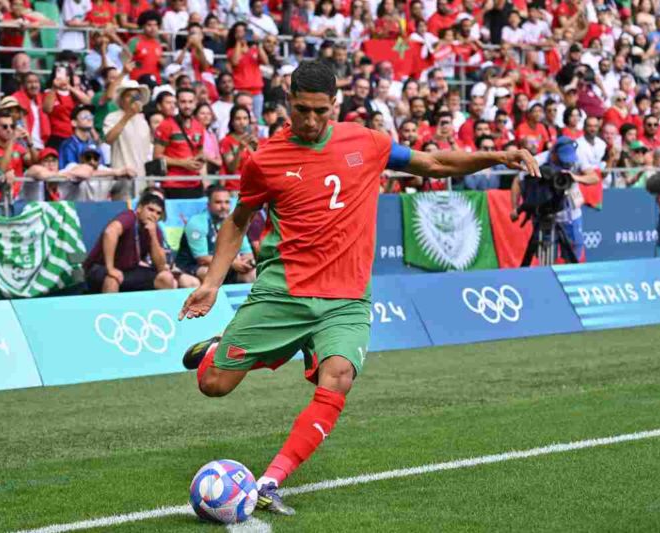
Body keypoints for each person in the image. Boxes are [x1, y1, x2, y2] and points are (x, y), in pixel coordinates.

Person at [177, 61, 539, 515]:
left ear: (337, 106)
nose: (310, 121)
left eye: (320, 111)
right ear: (288, 102)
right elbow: (237, 221)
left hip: (346, 297)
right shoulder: (265, 159)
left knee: (339, 376)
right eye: (302, 110)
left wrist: (496, 157)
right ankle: (220, 349)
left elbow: (433, 163)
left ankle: (269, 481)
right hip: (285, 289)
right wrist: (212, 284)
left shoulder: (366, 142)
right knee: (213, 385)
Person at [510, 136, 599, 263]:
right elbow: (517, 181)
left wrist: (575, 177)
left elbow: (594, 178)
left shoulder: (577, 157)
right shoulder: (537, 161)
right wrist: (514, 207)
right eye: (563, 159)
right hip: (544, 215)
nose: (566, 163)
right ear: (554, 153)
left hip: (571, 215)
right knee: (546, 257)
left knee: (574, 253)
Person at [83, 193, 177, 293]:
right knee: (112, 279)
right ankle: (109, 308)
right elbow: (110, 232)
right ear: (140, 208)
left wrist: (153, 236)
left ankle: (158, 309)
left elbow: (161, 266)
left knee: (165, 278)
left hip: (129, 270)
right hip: (99, 267)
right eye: (150, 209)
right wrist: (110, 268)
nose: (153, 215)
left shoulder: (154, 229)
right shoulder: (129, 216)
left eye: (158, 213)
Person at [175, 185, 256, 287]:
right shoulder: (197, 223)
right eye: (218, 202)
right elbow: (202, 258)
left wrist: (247, 262)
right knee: (210, 273)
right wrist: (232, 263)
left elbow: (247, 253)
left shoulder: (236, 222)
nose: (223, 207)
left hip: (227, 266)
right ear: (208, 205)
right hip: (195, 266)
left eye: (227, 202)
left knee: (254, 274)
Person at [153, 87, 206, 198]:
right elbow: (157, 157)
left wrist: (200, 160)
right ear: (176, 103)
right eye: (183, 102)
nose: (187, 106)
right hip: (173, 184)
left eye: (190, 102)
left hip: (195, 182)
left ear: (195, 103)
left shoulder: (199, 126)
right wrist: (183, 163)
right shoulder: (165, 125)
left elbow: (200, 152)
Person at [104, 79, 151, 200]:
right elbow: (109, 139)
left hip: (142, 178)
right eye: (129, 95)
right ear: (121, 100)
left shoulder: (143, 120)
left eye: (136, 96)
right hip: (123, 177)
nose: (133, 99)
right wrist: (127, 116)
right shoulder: (112, 117)